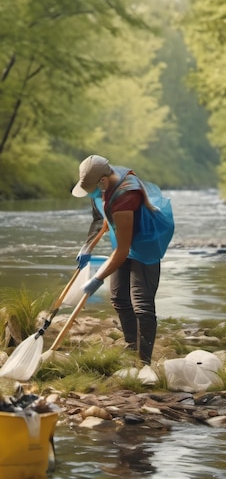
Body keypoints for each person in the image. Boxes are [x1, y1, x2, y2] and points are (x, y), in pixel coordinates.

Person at [72, 154, 173, 365]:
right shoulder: (102, 181)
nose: (90, 193)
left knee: (142, 304)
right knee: (118, 297)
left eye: (92, 187)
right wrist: (88, 246)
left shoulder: (126, 197)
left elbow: (123, 250)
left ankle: (144, 362)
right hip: (125, 237)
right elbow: (101, 218)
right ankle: (132, 349)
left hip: (145, 242)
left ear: (102, 181)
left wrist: (97, 278)